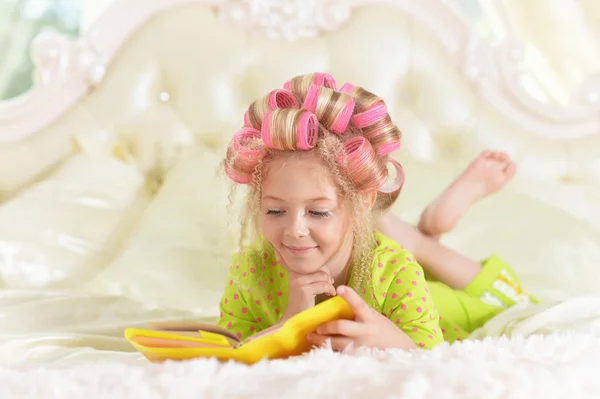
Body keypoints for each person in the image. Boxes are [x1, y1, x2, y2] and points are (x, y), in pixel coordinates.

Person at [216, 72, 535, 351]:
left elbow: (433, 357)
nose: (295, 229)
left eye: (318, 212)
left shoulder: (394, 271)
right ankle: (416, 235)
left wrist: (391, 340)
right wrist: (289, 324)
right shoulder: (249, 271)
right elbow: (229, 351)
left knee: (515, 304)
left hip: (426, 296)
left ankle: (422, 242)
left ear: (361, 201)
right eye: (274, 211)